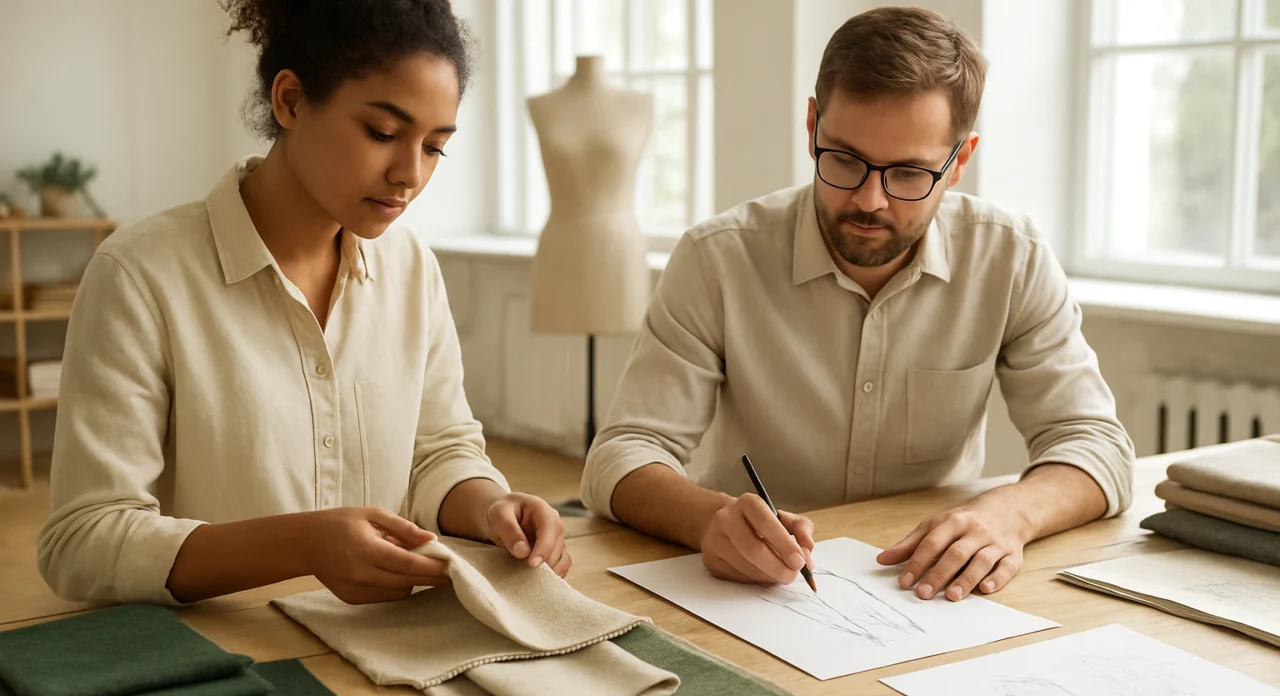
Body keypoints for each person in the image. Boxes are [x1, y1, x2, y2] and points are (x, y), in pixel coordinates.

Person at [581, 7, 1134, 603]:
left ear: (960, 162)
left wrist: (1010, 515)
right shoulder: (718, 258)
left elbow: (1096, 445)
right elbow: (621, 454)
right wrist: (707, 519)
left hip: (927, 591)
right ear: (813, 123)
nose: (869, 200)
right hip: (755, 592)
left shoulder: (1011, 257)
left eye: (908, 173)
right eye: (844, 158)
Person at [37, 0, 569, 607]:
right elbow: (82, 541)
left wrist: (490, 504)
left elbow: (439, 451)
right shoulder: (139, 274)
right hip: (224, 663)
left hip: (389, 653)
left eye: (434, 147)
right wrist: (302, 545)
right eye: (383, 133)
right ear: (290, 100)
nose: (410, 174)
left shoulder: (411, 267)